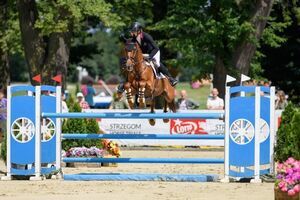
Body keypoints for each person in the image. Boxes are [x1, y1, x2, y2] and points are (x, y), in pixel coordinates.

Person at [117, 22, 178, 94]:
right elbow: (128, 42)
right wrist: (123, 39)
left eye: (133, 31)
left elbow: (156, 48)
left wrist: (150, 56)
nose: (132, 33)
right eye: (131, 31)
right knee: (131, 65)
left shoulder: (146, 36)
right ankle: (124, 83)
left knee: (157, 64)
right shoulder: (134, 38)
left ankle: (170, 78)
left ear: (139, 31)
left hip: (153, 52)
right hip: (143, 54)